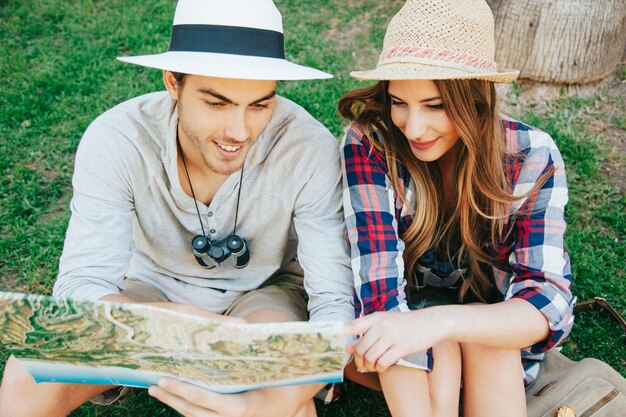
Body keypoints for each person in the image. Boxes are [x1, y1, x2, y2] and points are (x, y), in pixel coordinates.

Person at [0, 1, 354, 416]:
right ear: (173, 82)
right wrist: (183, 325)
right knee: (28, 373)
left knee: (279, 395)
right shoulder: (118, 138)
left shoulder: (307, 148)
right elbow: (82, 285)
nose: (239, 131)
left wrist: (290, 387)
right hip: (149, 289)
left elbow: (334, 306)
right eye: (217, 103)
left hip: (264, 298)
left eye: (260, 105)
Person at [339, 1, 575, 416]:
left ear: (475, 99)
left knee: (486, 344)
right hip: (391, 346)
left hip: (490, 338)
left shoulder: (531, 156)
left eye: (435, 106)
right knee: (437, 345)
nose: (413, 128)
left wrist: (442, 322)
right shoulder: (370, 144)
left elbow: (547, 302)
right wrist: (425, 330)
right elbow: (380, 303)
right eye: (399, 102)